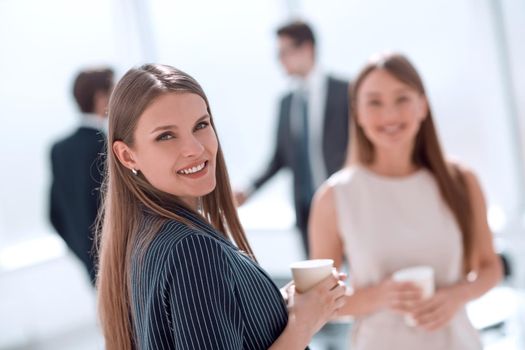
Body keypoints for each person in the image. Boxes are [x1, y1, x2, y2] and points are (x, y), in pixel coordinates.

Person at [96, 64, 346, 350]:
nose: (195, 148)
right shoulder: (192, 250)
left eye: (201, 125)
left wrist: (277, 305)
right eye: (166, 135)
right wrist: (303, 323)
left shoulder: (143, 238)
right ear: (127, 156)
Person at [308, 53, 503, 349]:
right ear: (357, 113)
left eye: (402, 99)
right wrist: (378, 297)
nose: (389, 115)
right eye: (374, 102)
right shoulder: (335, 197)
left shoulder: (461, 180)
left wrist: (456, 296)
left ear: (422, 105)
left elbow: (491, 266)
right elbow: (316, 300)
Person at [235, 20, 349, 256]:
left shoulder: (345, 91)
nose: (280, 60)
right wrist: (249, 189)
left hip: (347, 203)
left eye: (284, 52)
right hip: (307, 211)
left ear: (307, 48)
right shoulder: (287, 103)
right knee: (320, 280)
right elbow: (279, 158)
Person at [50, 67, 114, 284]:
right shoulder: (107, 146)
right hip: (122, 262)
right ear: (100, 97)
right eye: (114, 90)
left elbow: (54, 215)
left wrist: (86, 257)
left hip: (93, 267)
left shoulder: (59, 150)